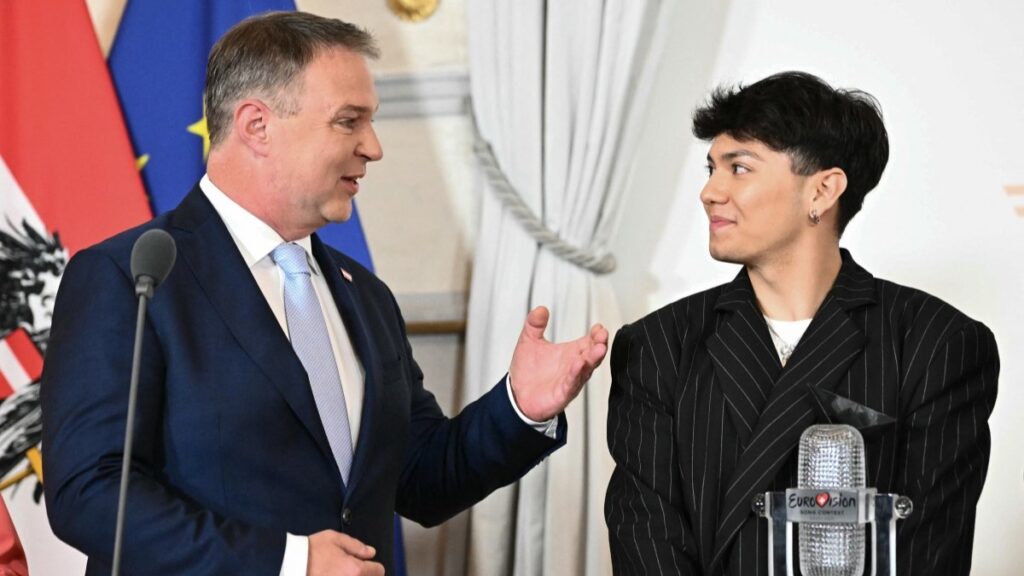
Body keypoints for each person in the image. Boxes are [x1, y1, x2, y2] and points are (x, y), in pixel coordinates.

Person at [41, 11, 608, 576]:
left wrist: (518, 408)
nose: (374, 147)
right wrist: (288, 562)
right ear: (257, 125)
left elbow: (419, 479)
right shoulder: (131, 278)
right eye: (348, 121)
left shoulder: (365, 297)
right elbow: (89, 492)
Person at [604, 71, 999, 575]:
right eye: (710, 169)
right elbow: (645, 539)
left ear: (823, 190)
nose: (710, 191)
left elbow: (928, 552)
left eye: (739, 168)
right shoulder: (658, 345)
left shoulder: (936, 344)